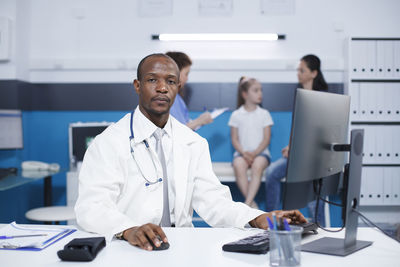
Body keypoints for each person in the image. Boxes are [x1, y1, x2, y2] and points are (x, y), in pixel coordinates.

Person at [75, 53, 306, 251]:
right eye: (152, 80)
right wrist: (128, 229)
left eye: (171, 81)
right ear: (137, 86)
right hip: (130, 250)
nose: (162, 88)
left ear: (178, 88)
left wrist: (256, 217)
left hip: (180, 248)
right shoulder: (108, 142)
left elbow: (213, 202)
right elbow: (91, 207)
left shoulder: (193, 142)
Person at [265, 54, 328, 225]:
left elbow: (319, 132)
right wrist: (290, 146)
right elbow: (299, 128)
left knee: (314, 183)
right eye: (298, 70)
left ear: (314, 73)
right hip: (296, 156)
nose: (298, 73)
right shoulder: (300, 96)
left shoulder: (321, 99)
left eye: (302, 70)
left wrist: (297, 149)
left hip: (314, 158)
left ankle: (318, 226)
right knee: (271, 173)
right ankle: (271, 221)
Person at [228, 77, 273, 208]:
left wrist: (254, 154)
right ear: (245, 94)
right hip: (242, 154)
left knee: (257, 166)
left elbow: (266, 139)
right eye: (256, 90)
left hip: (261, 154)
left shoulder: (264, 114)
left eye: (261, 90)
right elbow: (234, 139)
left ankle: (247, 204)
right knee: (238, 165)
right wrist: (244, 153)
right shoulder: (236, 115)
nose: (260, 94)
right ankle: (253, 205)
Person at [166, 51, 213, 130]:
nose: (187, 78)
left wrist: (197, 122)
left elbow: (183, 125)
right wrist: (199, 121)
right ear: (175, 72)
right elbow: (176, 132)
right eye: (186, 74)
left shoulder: (177, 98)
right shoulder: (166, 99)